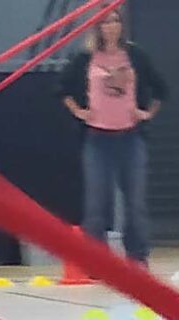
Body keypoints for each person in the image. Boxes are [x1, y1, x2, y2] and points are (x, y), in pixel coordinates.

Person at [61, 7, 164, 266]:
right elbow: (62, 88)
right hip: (97, 139)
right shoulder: (85, 58)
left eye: (115, 21)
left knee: (135, 203)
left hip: (130, 138)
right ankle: (97, 260)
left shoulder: (135, 55)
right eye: (105, 22)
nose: (111, 26)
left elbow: (161, 88)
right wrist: (79, 111)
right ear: (97, 27)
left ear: (122, 25)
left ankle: (137, 258)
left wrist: (146, 113)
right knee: (96, 203)